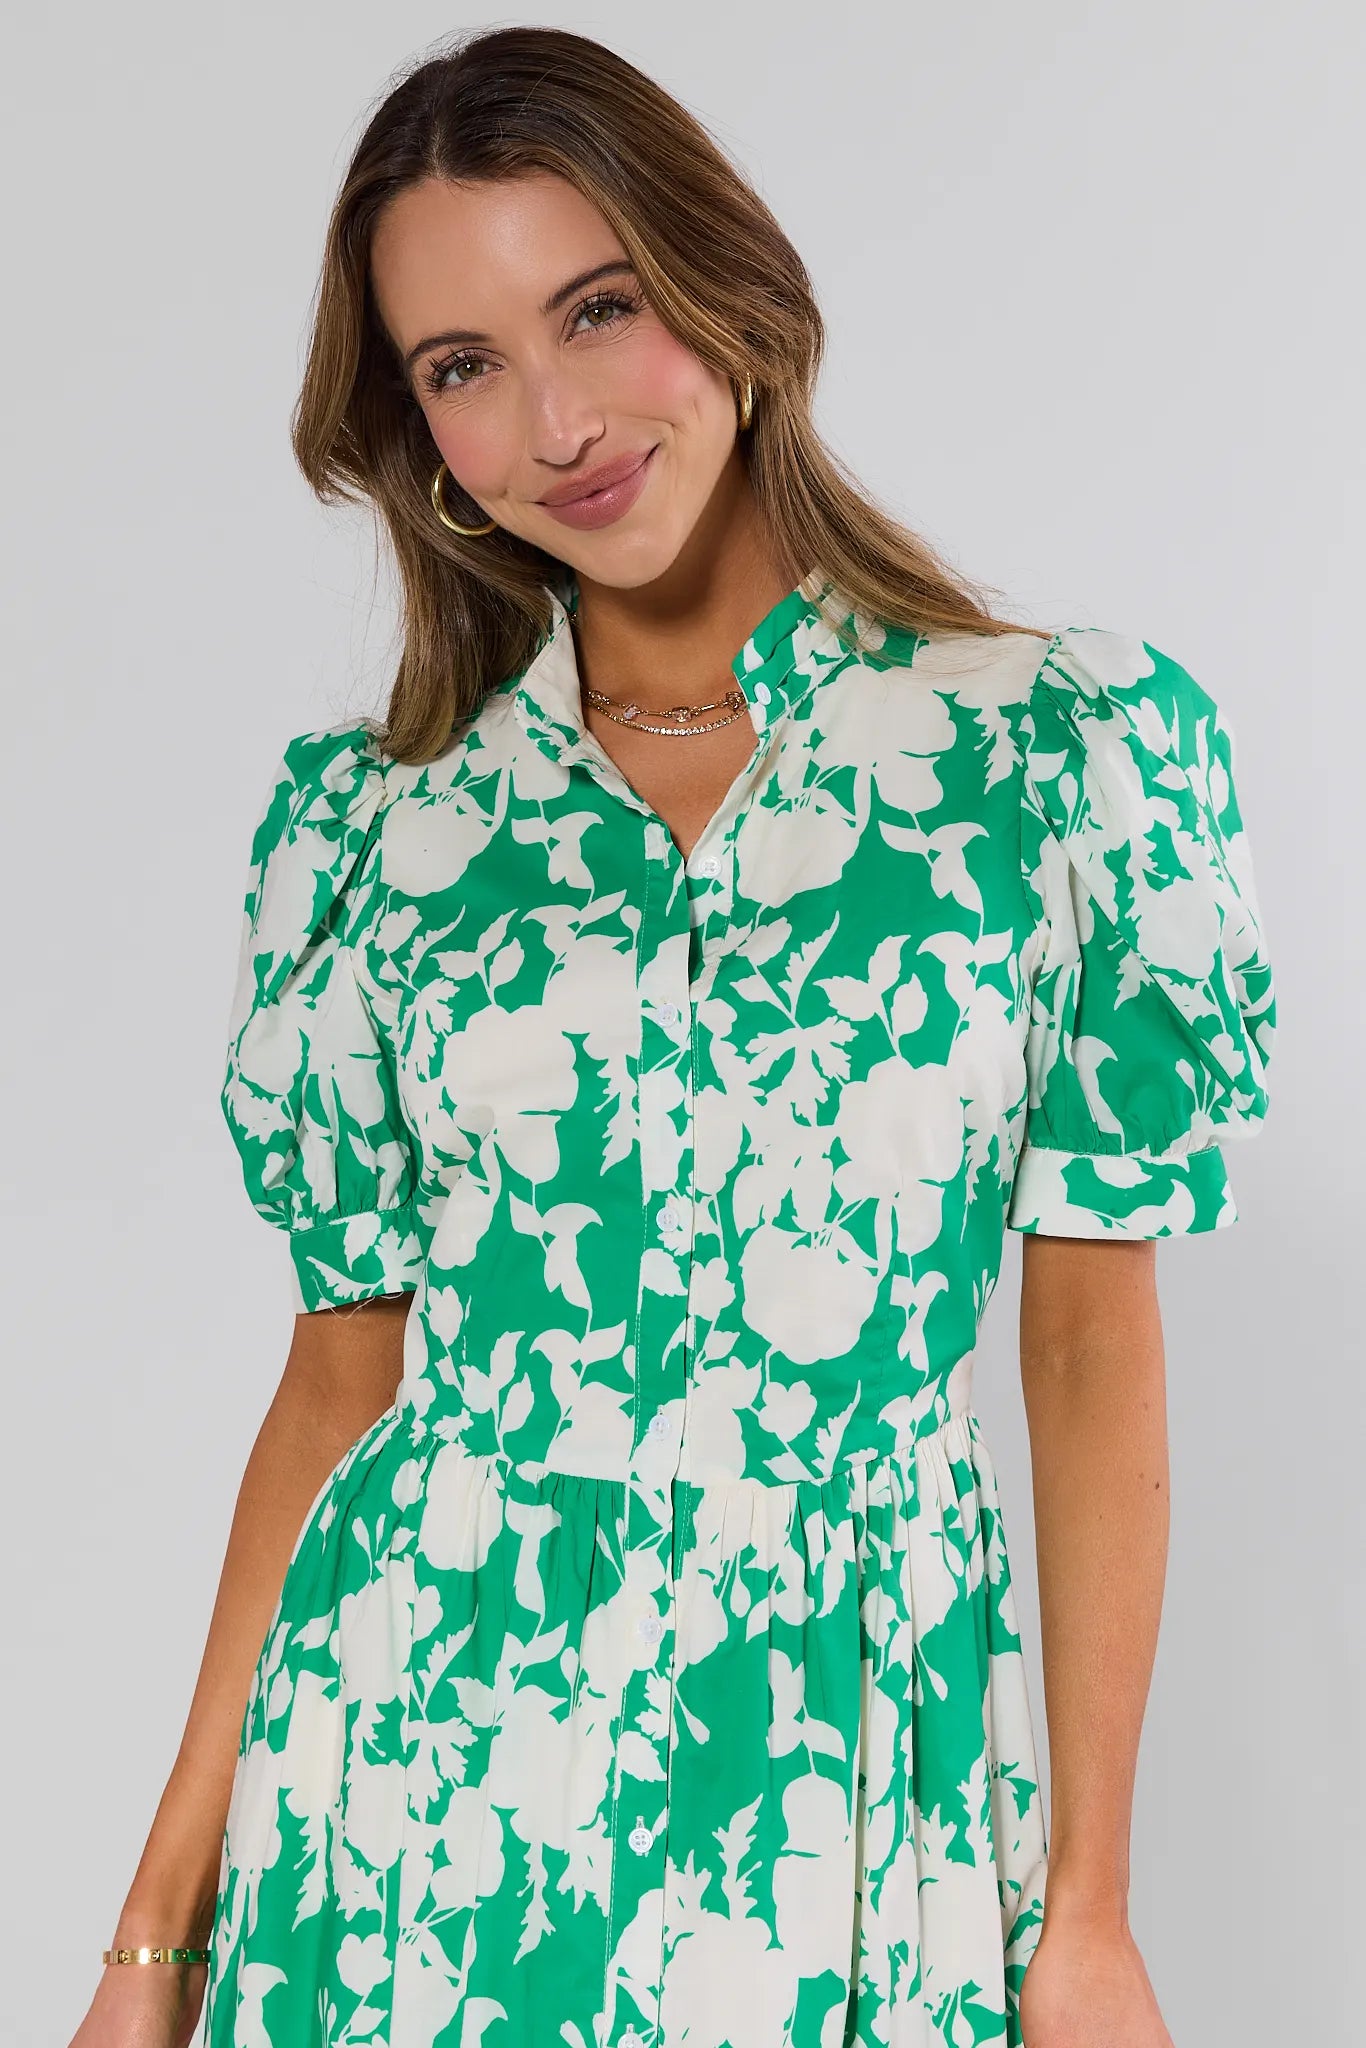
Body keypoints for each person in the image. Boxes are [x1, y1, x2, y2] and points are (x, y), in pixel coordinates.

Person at [71, 24, 1276, 2048]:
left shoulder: (1057, 755)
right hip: (406, 1809)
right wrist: (150, 1941)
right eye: (461, 368)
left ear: (725, 287)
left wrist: (1085, 1906)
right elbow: (338, 1383)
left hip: (837, 1792)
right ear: (414, 430)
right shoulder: (384, 830)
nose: (553, 422)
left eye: (596, 309)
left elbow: (1080, 1339)